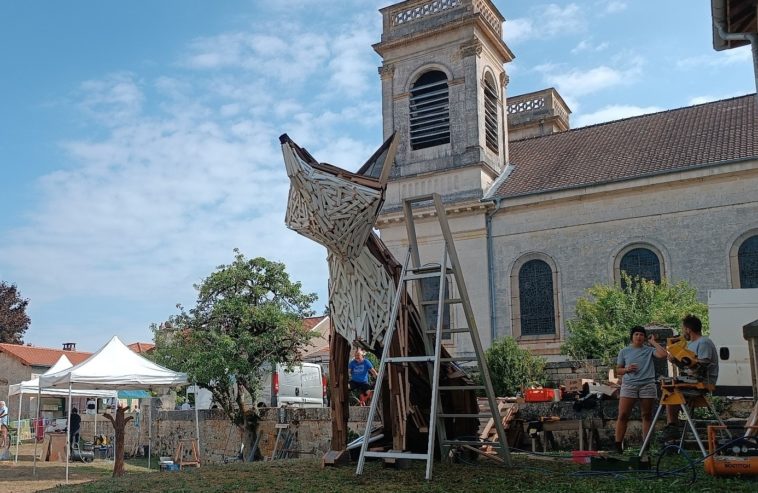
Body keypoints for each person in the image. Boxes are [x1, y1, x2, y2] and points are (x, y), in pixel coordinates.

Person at [661, 314, 719, 433]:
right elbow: (687, 366)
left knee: (671, 391)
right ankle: (672, 425)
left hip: (703, 381)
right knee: (668, 388)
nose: (683, 332)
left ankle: (672, 425)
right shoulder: (690, 345)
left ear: (688, 329)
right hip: (691, 380)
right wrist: (676, 361)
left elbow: (702, 364)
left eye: (683, 329)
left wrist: (688, 361)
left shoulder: (704, 342)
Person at [614, 326, 667, 453]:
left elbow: (663, 354)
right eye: (636, 334)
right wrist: (627, 369)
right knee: (623, 415)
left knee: (647, 415)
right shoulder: (624, 351)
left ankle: (646, 445)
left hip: (647, 385)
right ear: (632, 337)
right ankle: (617, 445)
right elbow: (617, 370)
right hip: (629, 385)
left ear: (644, 337)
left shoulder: (649, 350)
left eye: (641, 335)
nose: (639, 337)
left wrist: (653, 342)